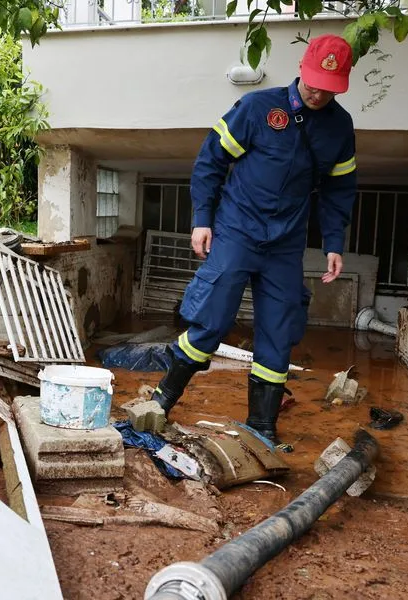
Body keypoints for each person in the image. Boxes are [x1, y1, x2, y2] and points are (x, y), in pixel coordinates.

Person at [148, 33, 359, 451]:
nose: (318, 93)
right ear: (302, 68)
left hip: (285, 244)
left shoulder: (340, 127)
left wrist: (334, 243)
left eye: (329, 87)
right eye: (314, 81)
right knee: (210, 320)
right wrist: (202, 219)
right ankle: (162, 400)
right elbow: (211, 162)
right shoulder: (258, 108)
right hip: (237, 231)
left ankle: (262, 427)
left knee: (278, 334)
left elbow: (339, 190)